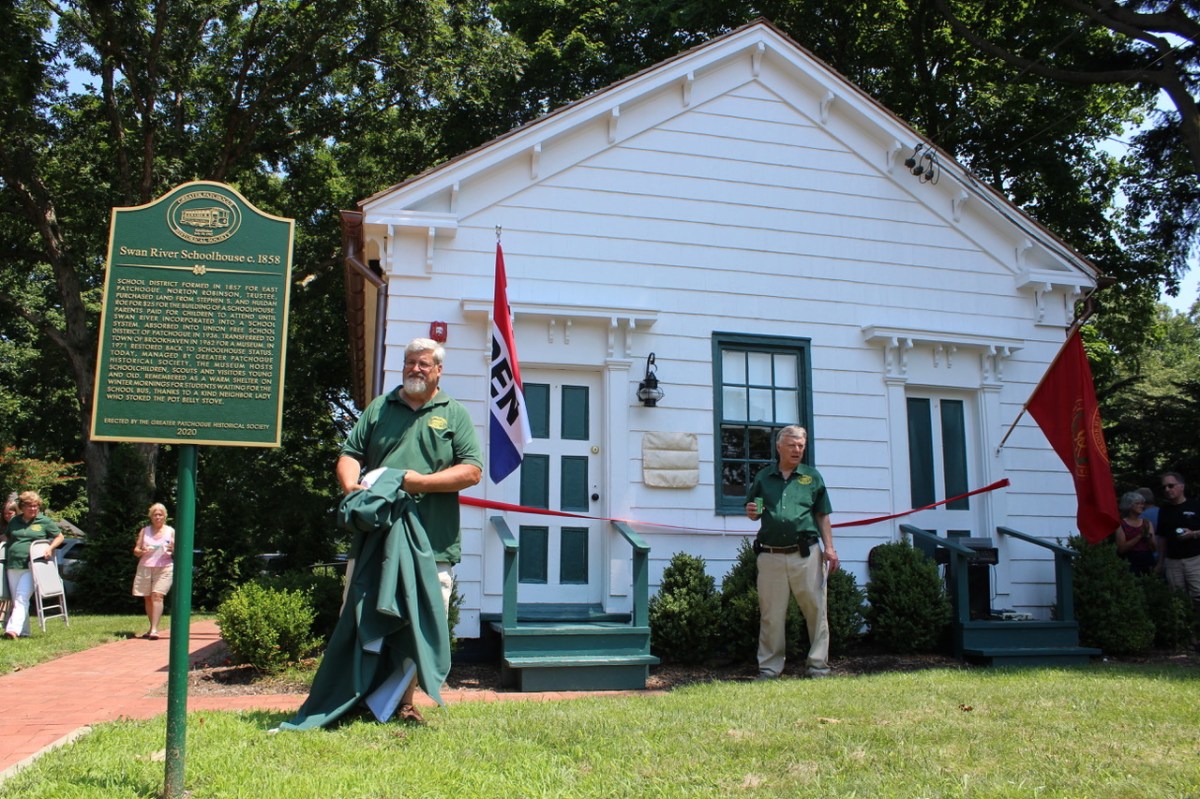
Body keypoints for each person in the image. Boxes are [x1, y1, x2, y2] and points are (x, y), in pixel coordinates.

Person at [285, 337, 482, 729]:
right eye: (410, 362)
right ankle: (352, 697)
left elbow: (472, 470)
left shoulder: (454, 414)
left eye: (424, 364)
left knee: (421, 624)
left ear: (439, 370)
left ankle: (402, 703)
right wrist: (350, 487)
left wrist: (417, 483)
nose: (415, 369)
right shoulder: (379, 408)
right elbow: (349, 454)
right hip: (375, 538)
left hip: (433, 543)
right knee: (357, 615)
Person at [744, 426, 840, 679]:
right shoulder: (764, 477)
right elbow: (754, 510)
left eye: (801, 445)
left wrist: (829, 548)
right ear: (779, 447)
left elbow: (822, 514)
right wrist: (752, 511)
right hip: (771, 555)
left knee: (816, 611)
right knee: (771, 615)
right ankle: (769, 669)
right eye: (792, 445)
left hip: (806, 554)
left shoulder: (812, 477)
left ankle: (818, 666)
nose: (797, 450)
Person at [2, 491, 64, 639]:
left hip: (34, 565)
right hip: (14, 564)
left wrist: (50, 548)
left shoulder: (44, 521)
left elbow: (59, 536)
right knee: (17, 597)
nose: (33, 509)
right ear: (22, 507)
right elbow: (8, 537)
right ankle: (24, 632)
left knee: (22, 597)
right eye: (30, 506)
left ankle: (12, 629)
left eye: (36, 506)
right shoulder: (14, 521)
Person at [1156, 472, 1200, 608]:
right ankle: (1184, 627)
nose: (1167, 490)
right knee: (1178, 599)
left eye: (1171, 486)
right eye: (1164, 487)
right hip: (1173, 561)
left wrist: (1193, 534)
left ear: (1181, 486)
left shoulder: (1195, 505)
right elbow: (1162, 537)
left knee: (1198, 595)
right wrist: (1160, 562)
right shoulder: (1164, 510)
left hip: (1195, 560)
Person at [132, 503, 174, 640]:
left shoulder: (170, 531)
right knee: (148, 598)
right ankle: (152, 627)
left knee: (157, 595)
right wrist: (142, 550)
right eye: (155, 514)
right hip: (146, 566)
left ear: (165, 516)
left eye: (160, 514)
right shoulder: (145, 531)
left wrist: (172, 548)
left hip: (165, 567)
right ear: (151, 516)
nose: (158, 517)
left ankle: (155, 629)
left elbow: (177, 549)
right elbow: (136, 551)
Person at [1115, 491, 1156, 574]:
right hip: (1130, 562)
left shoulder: (1146, 523)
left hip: (1147, 560)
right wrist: (1139, 536)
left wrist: (1148, 536)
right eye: (1138, 504)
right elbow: (1121, 549)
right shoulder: (1121, 524)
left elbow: (1154, 547)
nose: (1142, 506)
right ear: (1129, 505)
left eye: (1142, 504)